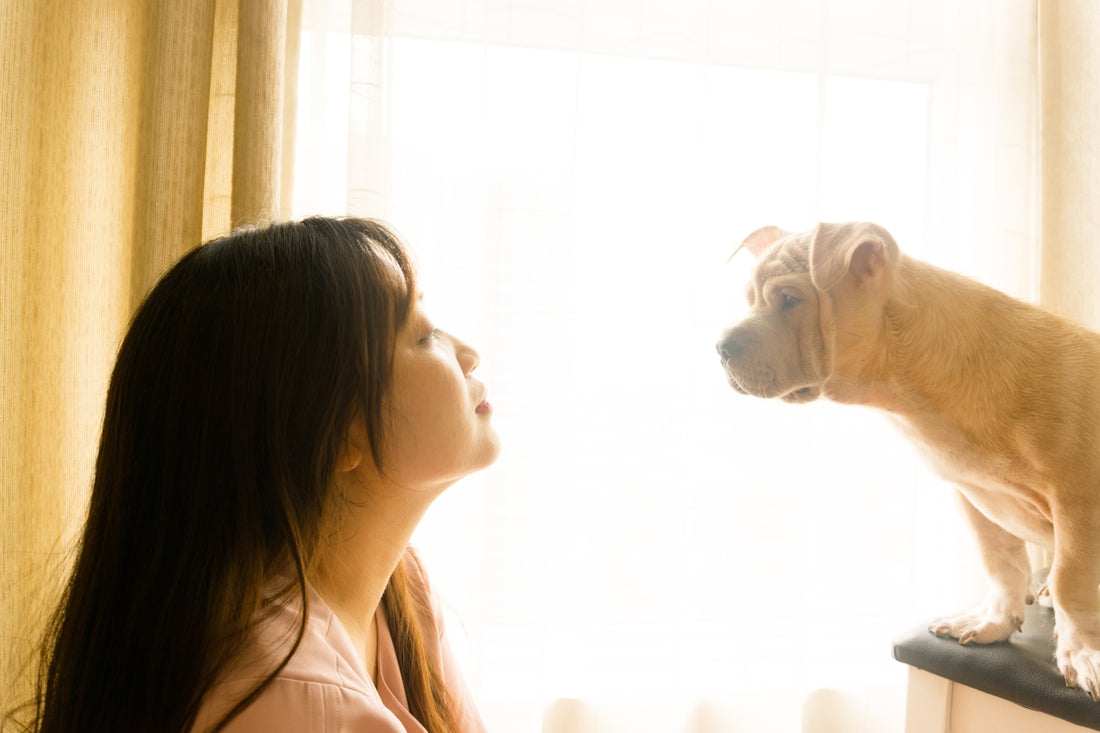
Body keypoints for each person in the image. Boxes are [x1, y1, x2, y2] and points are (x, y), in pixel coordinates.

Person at [23, 217, 500, 732]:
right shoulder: (297, 704)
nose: (469, 356)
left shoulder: (402, 599)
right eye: (425, 336)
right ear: (336, 433)